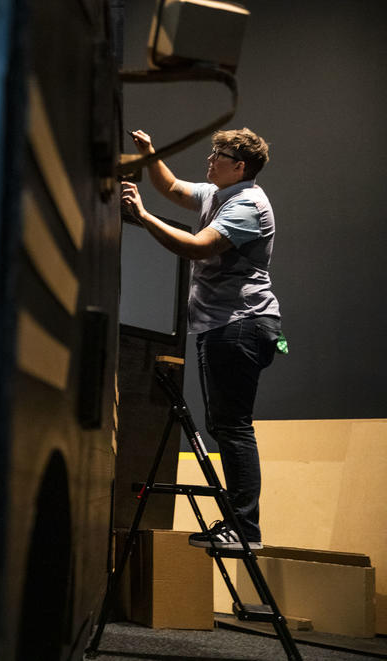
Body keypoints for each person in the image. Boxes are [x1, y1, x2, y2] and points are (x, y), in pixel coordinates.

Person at [122, 127, 282, 550]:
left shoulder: (248, 204)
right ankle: (240, 524)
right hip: (225, 324)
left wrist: (143, 216)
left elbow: (197, 246)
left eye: (219, 155)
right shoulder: (217, 193)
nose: (210, 160)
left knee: (232, 426)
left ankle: (246, 530)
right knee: (225, 424)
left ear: (240, 166)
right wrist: (151, 153)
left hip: (241, 323)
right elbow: (172, 187)